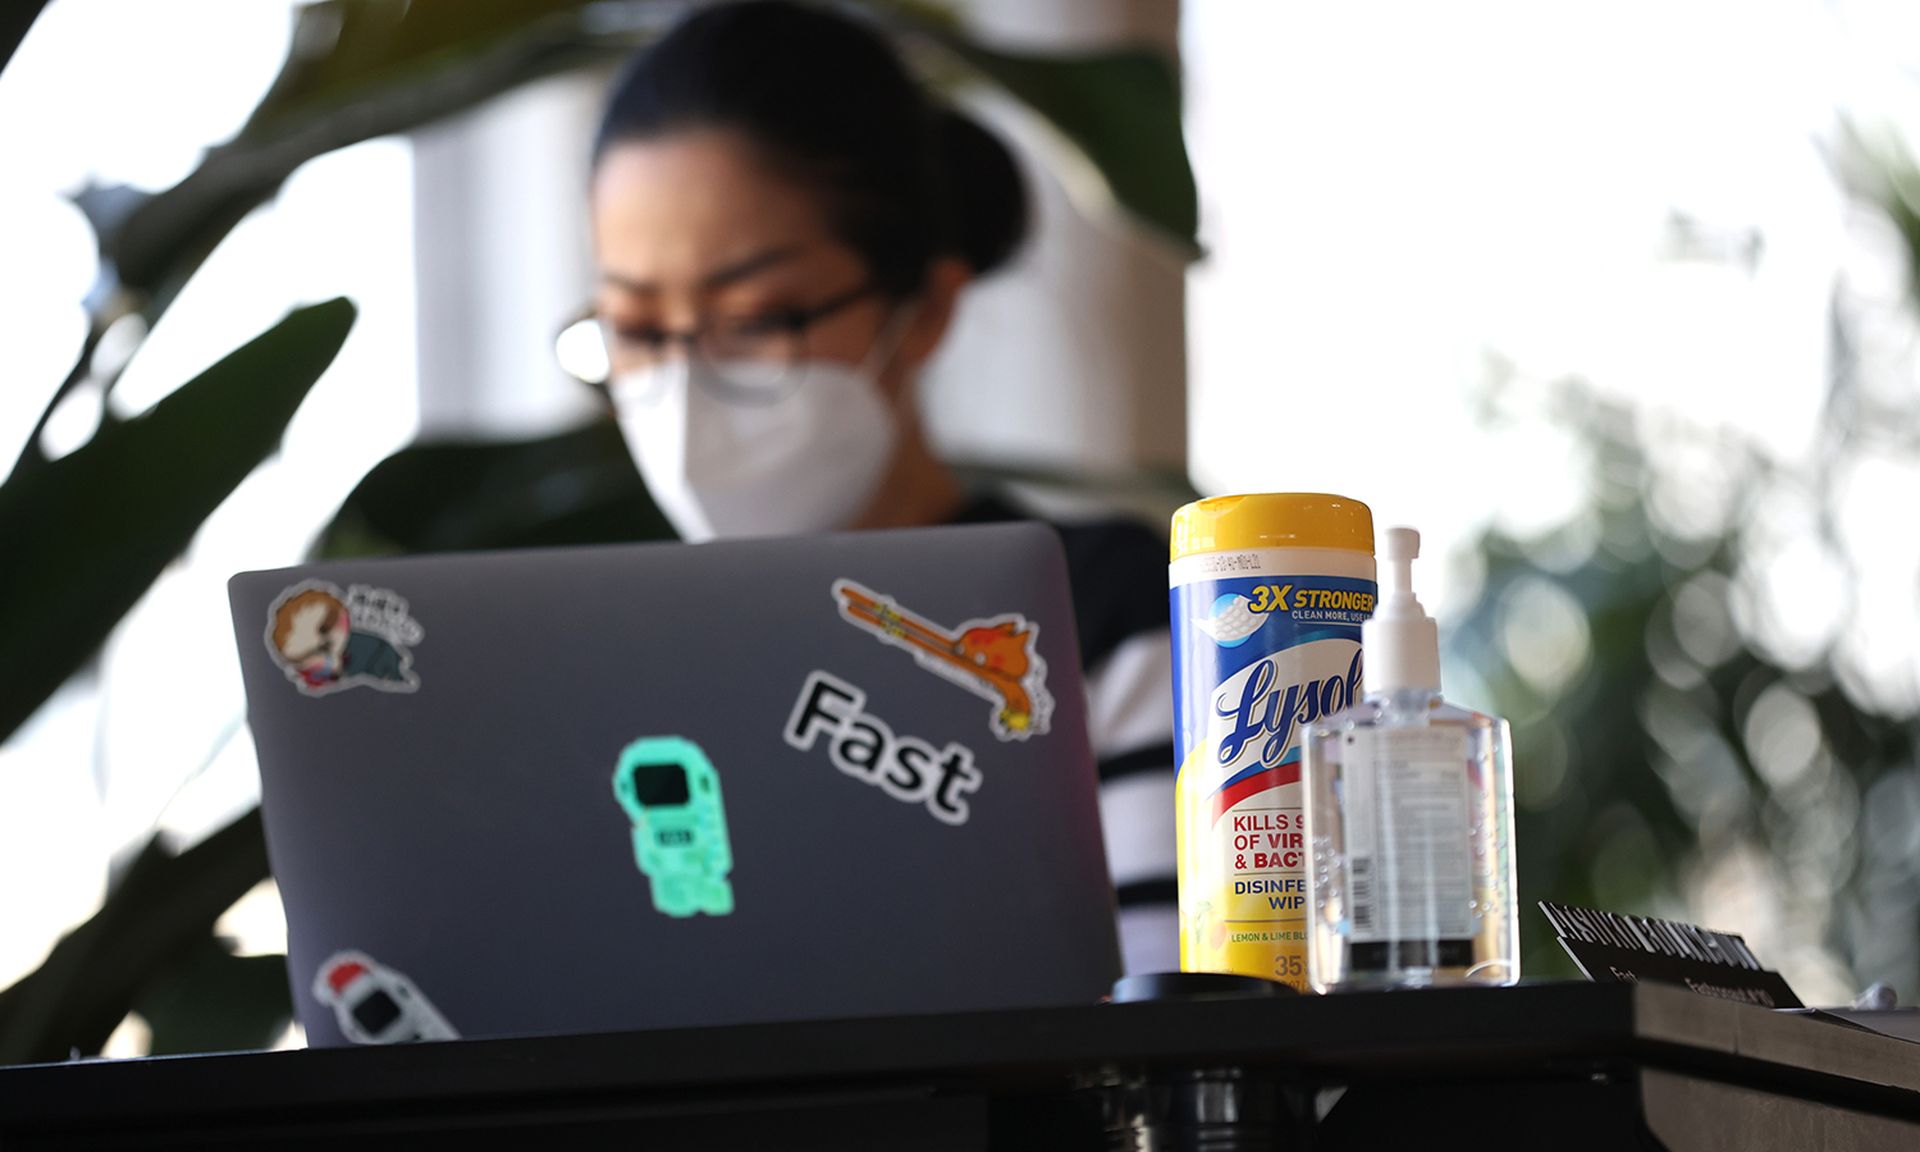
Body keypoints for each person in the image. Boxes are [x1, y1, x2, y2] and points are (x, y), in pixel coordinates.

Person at [584, 0, 1177, 974]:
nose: (685, 391)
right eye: (639, 331)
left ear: (927, 308)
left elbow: (1178, 1035)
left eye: (756, 317)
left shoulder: (1101, 622)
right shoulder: (578, 664)